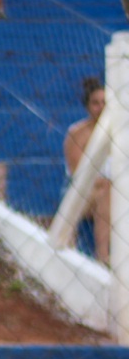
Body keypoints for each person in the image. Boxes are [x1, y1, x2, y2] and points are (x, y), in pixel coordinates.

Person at [63, 76, 109, 262]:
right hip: (83, 193)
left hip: (117, 193)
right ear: (87, 106)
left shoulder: (122, 134)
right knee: (107, 191)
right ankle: (103, 256)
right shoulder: (77, 133)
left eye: (105, 102)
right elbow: (78, 174)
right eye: (95, 103)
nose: (101, 107)